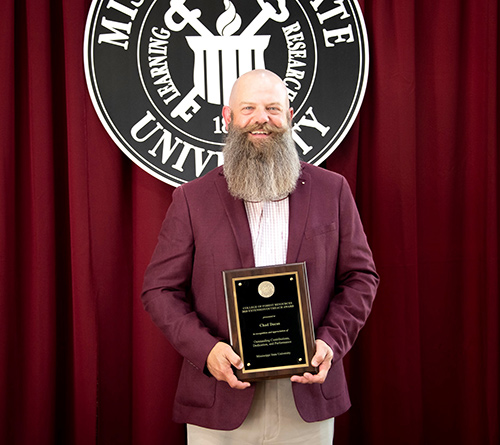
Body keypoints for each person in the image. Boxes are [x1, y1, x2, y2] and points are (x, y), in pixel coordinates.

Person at [141, 69, 379, 444]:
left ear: (289, 115)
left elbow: (361, 277)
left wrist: (331, 343)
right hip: (221, 393)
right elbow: (159, 290)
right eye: (248, 107)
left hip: (307, 393)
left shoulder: (332, 190)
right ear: (227, 117)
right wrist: (207, 352)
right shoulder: (192, 199)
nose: (261, 118)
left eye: (272, 108)